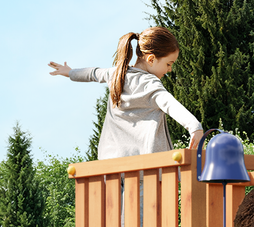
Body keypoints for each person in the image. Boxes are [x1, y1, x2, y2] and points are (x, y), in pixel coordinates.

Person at [49, 26, 202, 158]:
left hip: (111, 165)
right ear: (151, 59)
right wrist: (194, 126)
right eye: (169, 64)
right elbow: (169, 104)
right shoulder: (149, 83)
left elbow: (92, 73)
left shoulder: (116, 74)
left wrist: (70, 72)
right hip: (146, 168)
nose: (169, 70)